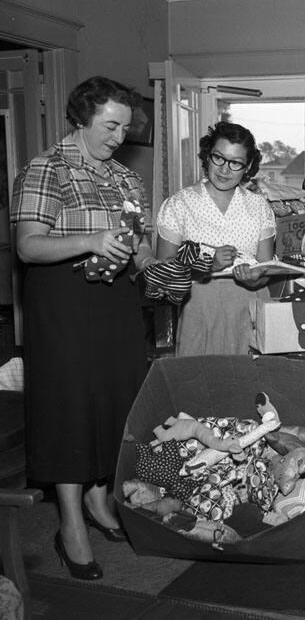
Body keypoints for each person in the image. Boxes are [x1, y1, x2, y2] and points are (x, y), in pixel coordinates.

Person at [11, 76, 157, 580]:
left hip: (116, 303)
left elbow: (139, 249)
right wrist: (91, 240)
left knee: (115, 401)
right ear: (81, 118)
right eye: (110, 125)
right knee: (70, 409)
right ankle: (69, 522)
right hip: (62, 306)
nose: (119, 136)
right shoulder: (45, 168)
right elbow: (30, 246)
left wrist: (140, 255)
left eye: (125, 127)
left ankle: (100, 500)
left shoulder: (125, 179)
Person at [156, 121, 276, 356]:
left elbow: (266, 268)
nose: (224, 170)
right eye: (218, 158)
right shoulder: (179, 205)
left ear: (248, 166)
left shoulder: (259, 207)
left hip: (249, 311)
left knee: (251, 387)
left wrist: (254, 279)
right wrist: (207, 265)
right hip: (200, 311)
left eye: (236, 163)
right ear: (207, 155)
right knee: (201, 385)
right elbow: (163, 271)